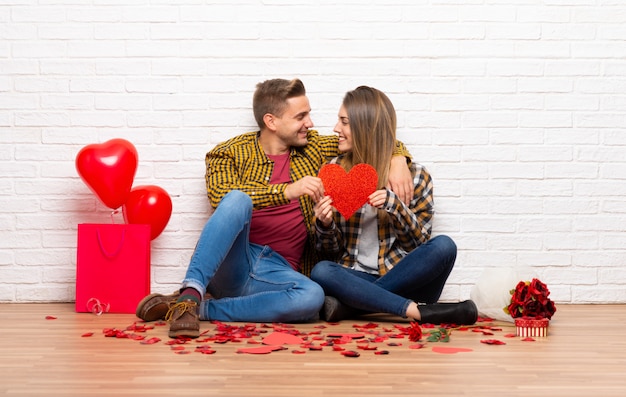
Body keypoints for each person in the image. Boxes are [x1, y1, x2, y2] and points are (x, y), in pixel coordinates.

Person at [134, 78, 415, 338]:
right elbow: (220, 197)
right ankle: (191, 293)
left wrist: (397, 157)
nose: (311, 123)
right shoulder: (227, 153)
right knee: (236, 199)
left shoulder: (314, 147)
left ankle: (198, 309)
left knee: (312, 297)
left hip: (278, 274)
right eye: (300, 116)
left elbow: (368, 136)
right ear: (271, 121)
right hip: (236, 260)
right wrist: (287, 191)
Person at [311, 86, 478, 325]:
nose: (336, 128)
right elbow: (329, 252)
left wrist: (395, 206)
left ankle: (355, 308)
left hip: (405, 280)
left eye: (344, 122)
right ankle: (418, 312)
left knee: (444, 246)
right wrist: (324, 224)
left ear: (365, 127)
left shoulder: (415, 176)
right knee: (322, 271)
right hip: (354, 277)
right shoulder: (333, 172)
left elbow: (418, 244)